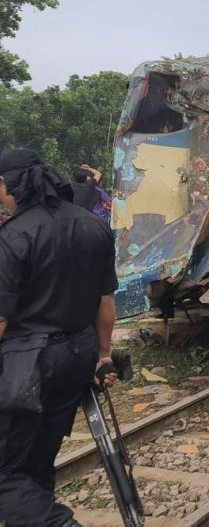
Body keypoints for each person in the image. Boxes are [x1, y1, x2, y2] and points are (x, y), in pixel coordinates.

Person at [0, 149, 118, 527]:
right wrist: (103, 354)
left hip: (27, 366)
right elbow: (105, 302)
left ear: (7, 186)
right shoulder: (93, 226)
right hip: (78, 355)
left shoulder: (14, 234)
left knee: (5, 474)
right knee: (36, 463)